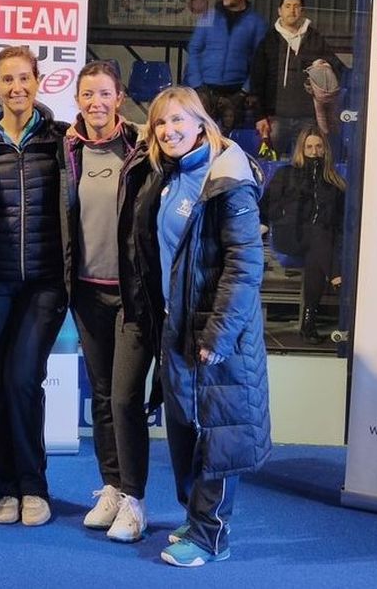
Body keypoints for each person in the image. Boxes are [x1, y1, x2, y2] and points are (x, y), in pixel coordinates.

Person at [119, 86, 271, 567]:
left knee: (218, 433)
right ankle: (197, 517)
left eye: (179, 120)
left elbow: (244, 265)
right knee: (187, 426)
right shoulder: (167, 175)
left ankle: (212, 536)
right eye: (160, 123)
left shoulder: (228, 178)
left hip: (218, 335)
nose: (169, 131)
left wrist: (218, 337)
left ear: (202, 123)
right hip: (176, 327)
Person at [0, 46, 69, 527]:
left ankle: (34, 484)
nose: (16, 88)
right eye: (7, 80)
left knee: (22, 379)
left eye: (24, 79)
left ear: (38, 81)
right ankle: (5, 487)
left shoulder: (62, 140)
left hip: (46, 284)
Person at [63, 61, 154, 542]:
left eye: (103, 94)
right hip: (86, 291)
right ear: (76, 99)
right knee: (101, 396)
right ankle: (112, 487)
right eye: (86, 94)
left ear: (119, 98)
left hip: (132, 297)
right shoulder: (69, 148)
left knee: (124, 398)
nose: (94, 102)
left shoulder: (143, 147)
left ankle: (136, 499)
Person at [264, 127, 345, 343]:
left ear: (325, 149)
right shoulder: (287, 174)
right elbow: (266, 204)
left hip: (320, 243)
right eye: (309, 146)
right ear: (302, 149)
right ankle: (338, 280)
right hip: (290, 235)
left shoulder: (334, 181)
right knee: (319, 239)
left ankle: (308, 324)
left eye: (318, 146)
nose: (314, 151)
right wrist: (262, 224)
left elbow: (341, 219)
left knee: (316, 256)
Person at [251, 0, 343, 157]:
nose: (292, 10)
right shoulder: (269, 41)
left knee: (308, 162)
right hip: (275, 118)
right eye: (287, 6)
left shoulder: (315, 39)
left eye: (296, 7)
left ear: (302, 11)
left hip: (308, 117)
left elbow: (337, 68)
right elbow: (257, 81)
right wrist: (260, 116)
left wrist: (325, 68)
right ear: (279, 11)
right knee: (270, 162)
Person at [183, 0, 267, 134]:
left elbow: (259, 60)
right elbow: (194, 49)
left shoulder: (256, 22)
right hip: (206, 92)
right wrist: (198, 86)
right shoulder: (208, 17)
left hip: (236, 97)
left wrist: (244, 91)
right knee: (201, 139)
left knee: (231, 144)